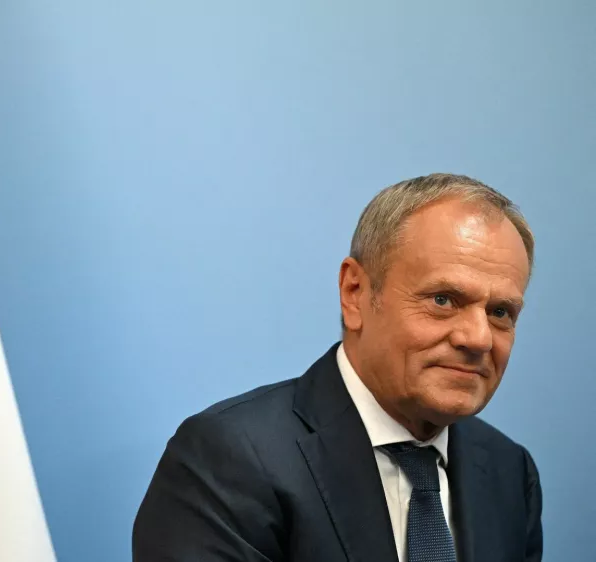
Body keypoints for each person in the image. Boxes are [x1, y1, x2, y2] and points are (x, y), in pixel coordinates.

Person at [133, 174, 542, 562]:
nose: (478, 338)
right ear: (355, 293)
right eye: (443, 300)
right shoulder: (232, 459)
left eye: (501, 311)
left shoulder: (509, 470)